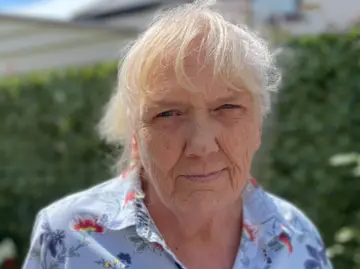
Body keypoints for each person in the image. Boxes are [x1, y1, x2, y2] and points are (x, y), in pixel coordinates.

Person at [22, 0, 333, 268]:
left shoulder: (297, 236)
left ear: (257, 127)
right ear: (135, 137)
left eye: (227, 107)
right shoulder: (66, 235)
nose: (201, 145)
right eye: (167, 114)